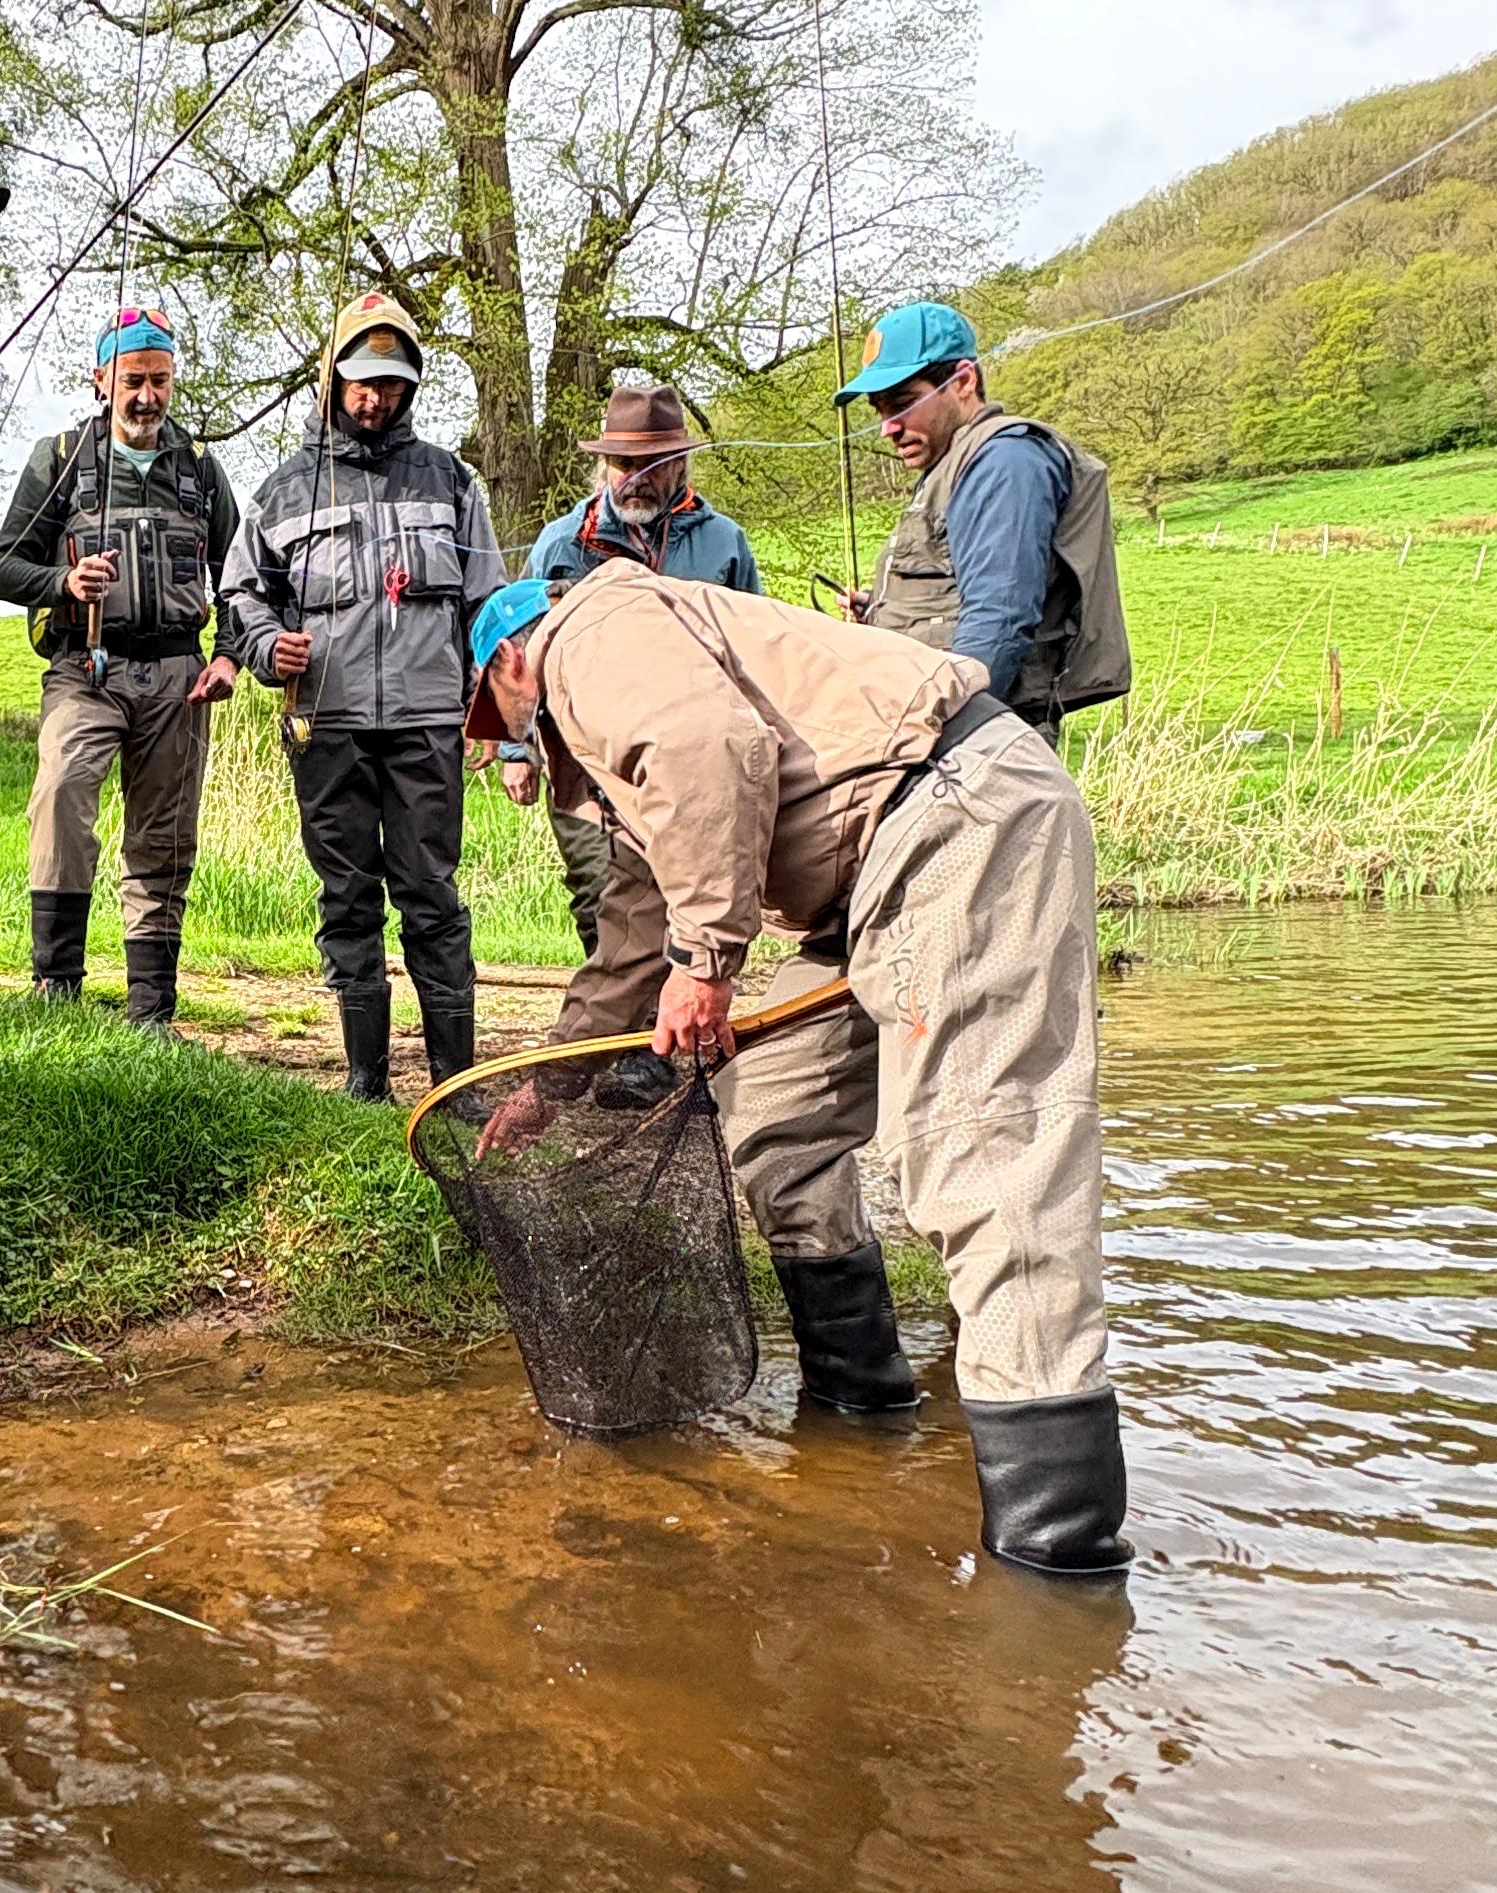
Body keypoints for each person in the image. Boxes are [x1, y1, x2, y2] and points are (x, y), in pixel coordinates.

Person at [465, 565, 1130, 1575]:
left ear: (511, 659)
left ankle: (1058, 1566)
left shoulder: (585, 634)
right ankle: (863, 1413)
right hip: (862, 883)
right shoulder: (624, 739)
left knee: (984, 1161)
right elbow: (635, 929)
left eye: (495, 712)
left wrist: (708, 963)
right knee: (776, 1122)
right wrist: (546, 1086)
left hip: (953, 816)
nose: (507, 739)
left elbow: (710, 751)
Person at [220, 288, 505, 1101]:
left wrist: (490, 712)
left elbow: (486, 605)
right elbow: (240, 597)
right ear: (333, 380)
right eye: (360, 380)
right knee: (346, 896)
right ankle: (365, 1080)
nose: (374, 396)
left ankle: (456, 1081)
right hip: (326, 723)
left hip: (426, 725)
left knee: (432, 894)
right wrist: (269, 645)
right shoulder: (283, 488)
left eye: (391, 380)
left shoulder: (452, 482)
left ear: (412, 384)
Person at [0, 304, 240, 1025]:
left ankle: (151, 1009)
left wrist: (227, 657)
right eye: (132, 379)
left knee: (165, 835)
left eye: (160, 380)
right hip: (84, 670)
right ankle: (56, 985)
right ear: (102, 379)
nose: (147, 396)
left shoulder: (201, 471)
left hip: (178, 680)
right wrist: (62, 583)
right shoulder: (60, 459)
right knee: (61, 796)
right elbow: (2, 568)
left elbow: (244, 581)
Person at [496, 381, 763, 960]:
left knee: (685, 906)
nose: (635, 477)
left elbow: (755, 652)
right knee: (600, 899)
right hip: (587, 757)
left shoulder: (725, 544)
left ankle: (675, 1028)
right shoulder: (561, 544)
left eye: (652, 463)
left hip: (696, 759)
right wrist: (516, 751)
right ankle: (624, 1037)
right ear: (604, 466)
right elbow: (518, 652)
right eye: (623, 463)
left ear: (681, 464)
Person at [836, 300, 1131, 738]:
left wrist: (932, 736)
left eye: (901, 403)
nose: (887, 427)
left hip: (975, 741)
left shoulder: (1005, 461)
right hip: (948, 731)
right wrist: (884, 609)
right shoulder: (957, 461)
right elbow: (954, 588)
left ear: (963, 380)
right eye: (879, 410)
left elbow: (1000, 619)